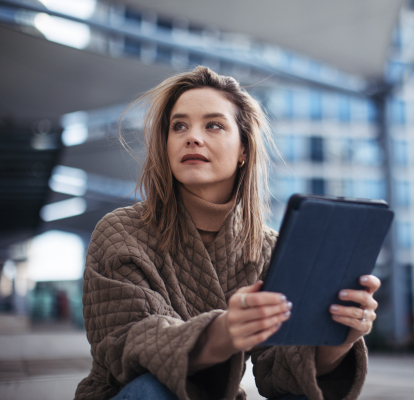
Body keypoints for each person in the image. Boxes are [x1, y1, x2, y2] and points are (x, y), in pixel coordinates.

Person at [74, 66, 379, 400]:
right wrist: (222, 332)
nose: (192, 136)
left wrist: (338, 339)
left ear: (244, 151)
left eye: (213, 125)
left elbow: (279, 370)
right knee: (152, 388)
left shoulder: (268, 248)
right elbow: (128, 342)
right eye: (179, 126)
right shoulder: (120, 232)